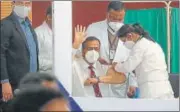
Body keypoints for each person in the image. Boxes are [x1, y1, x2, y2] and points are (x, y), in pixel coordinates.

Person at [110, 23, 174, 99]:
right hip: (165, 88)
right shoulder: (153, 43)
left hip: (152, 90)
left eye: (124, 41)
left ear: (130, 35)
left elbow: (128, 67)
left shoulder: (139, 46)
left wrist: (116, 66)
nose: (124, 44)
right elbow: (143, 66)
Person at [0, 1, 39, 102]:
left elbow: (32, 53)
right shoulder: (6, 24)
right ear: (13, 4)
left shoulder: (29, 24)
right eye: (21, 3)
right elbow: (1, 53)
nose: (24, 6)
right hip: (14, 86)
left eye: (27, 3)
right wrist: (4, 82)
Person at [35, 5, 53, 73]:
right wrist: (55, 63)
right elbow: (35, 61)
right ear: (49, 17)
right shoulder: (37, 33)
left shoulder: (62, 33)